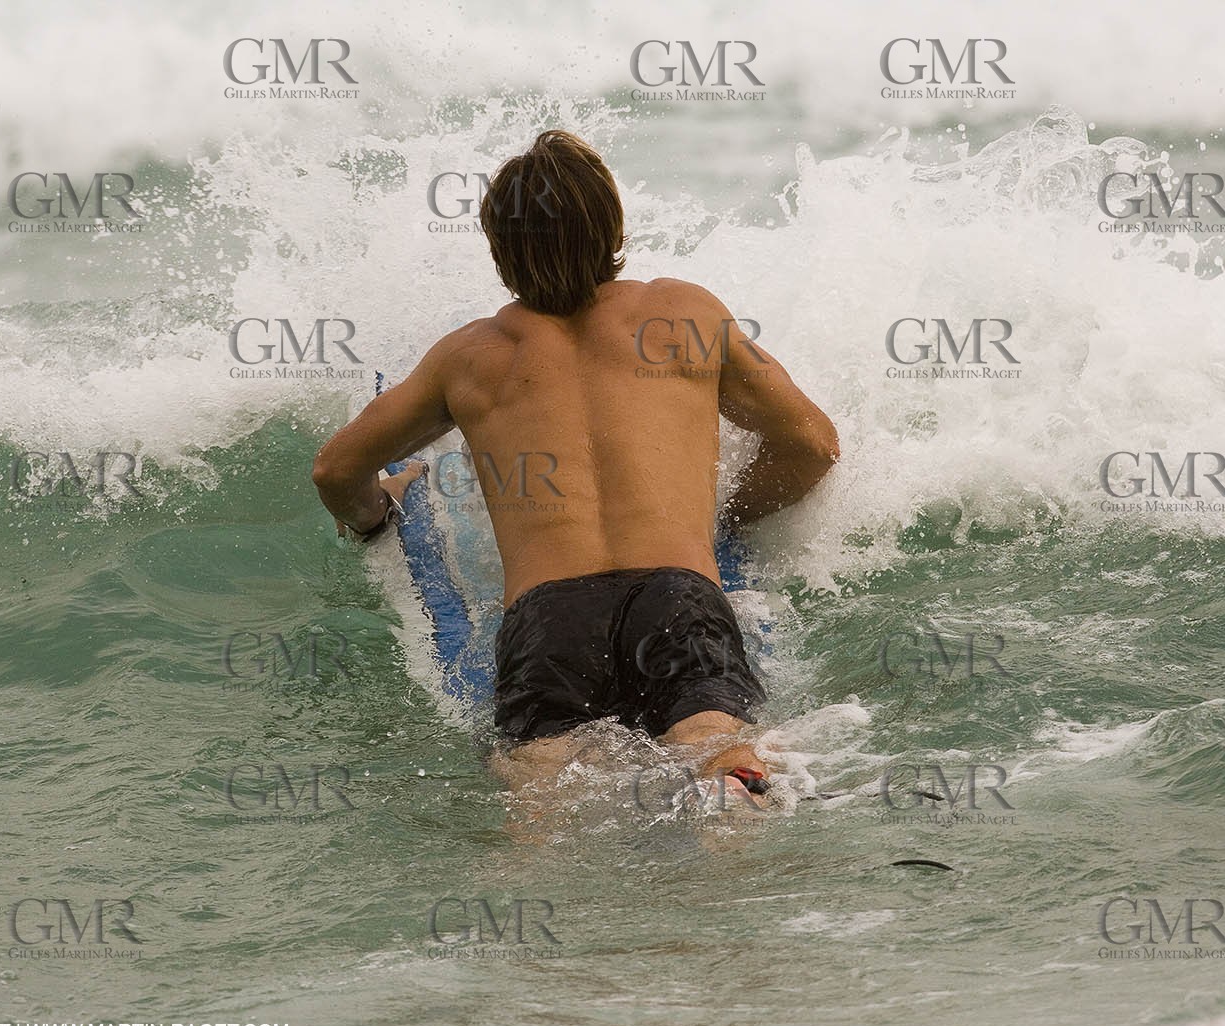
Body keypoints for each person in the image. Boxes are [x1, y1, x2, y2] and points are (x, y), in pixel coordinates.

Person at [312, 130, 838, 805]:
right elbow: (814, 444)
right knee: (717, 752)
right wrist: (729, 513)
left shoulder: (469, 356)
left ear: (500, 253)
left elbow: (333, 471)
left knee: (546, 796)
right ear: (613, 227)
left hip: (551, 620)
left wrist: (375, 511)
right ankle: (733, 872)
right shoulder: (684, 314)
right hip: (676, 598)